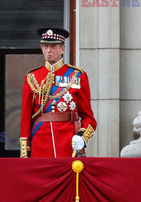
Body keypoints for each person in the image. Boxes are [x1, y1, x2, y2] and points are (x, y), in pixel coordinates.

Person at [20, 27, 97, 158]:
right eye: (45, 46)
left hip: (68, 142)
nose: (48, 50)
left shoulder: (78, 76)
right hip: (40, 143)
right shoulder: (32, 77)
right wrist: (25, 149)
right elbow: (26, 117)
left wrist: (82, 137)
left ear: (63, 49)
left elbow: (89, 118)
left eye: (53, 46)